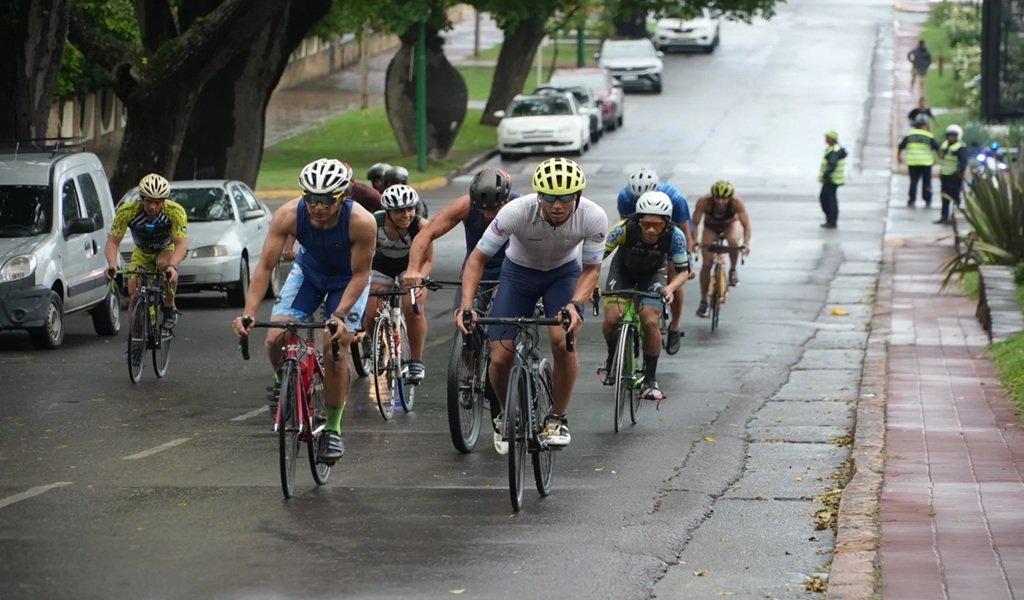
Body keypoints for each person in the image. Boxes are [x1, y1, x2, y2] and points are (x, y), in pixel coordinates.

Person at [457, 157, 608, 452]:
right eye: (549, 197)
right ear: (538, 195)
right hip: (518, 275)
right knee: (499, 357)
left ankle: (557, 418)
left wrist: (575, 304)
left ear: (577, 196)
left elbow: (592, 269)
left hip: (563, 276)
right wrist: (467, 306)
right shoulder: (516, 211)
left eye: (566, 198)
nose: (557, 205)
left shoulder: (593, 217)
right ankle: (505, 414)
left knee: (563, 342)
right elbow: (477, 258)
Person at [231, 158, 376, 464]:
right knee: (274, 338)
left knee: (335, 345)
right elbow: (266, 266)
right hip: (308, 274)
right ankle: (283, 382)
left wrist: (338, 316)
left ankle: (333, 430)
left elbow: (362, 275)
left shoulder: (361, 222)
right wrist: (249, 311)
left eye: (326, 199)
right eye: (311, 197)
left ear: (342, 198)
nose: (317, 206)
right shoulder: (288, 214)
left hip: (347, 281)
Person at [600, 191, 689, 402]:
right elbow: (595, 258)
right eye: (645, 224)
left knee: (650, 320)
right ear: (637, 220)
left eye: (657, 226)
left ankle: (650, 380)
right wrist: (589, 286)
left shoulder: (675, 235)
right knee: (612, 319)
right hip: (622, 272)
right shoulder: (623, 229)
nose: (650, 230)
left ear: (666, 224)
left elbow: (683, 271)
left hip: (653, 275)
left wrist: (670, 288)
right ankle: (612, 357)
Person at [403, 167, 518, 308]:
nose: (488, 215)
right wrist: (413, 269)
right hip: (474, 267)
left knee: (506, 317)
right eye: (483, 210)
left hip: (509, 267)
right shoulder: (465, 205)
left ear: (506, 200)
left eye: (494, 210)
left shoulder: (519, 207)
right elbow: (426, 234)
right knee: (464, 316)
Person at [616, 167, 693, 355]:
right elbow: (627, 230)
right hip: (645, 236)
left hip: (669, 236)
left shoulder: (674, 199)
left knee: (674, 276)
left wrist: (686, 258)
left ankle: (675, 325)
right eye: (637, 198)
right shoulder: (625, 198)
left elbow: (684, 231)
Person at [363, 183, 431, 384]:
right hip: (380, 266)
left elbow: (428, 261)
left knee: (413, 307)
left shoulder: (421, 226)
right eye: (400, 210)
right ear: (388, 212)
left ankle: (416, 362)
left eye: (410, 209)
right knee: (371, 312)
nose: (406, 214)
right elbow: (362, 254)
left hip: (410, 267)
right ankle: (375, 338)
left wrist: (420, 281)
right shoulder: (373, 223)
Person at [104, 173, 189, 330]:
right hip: (142, 252)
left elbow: (181, 244)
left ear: (164, 201)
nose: (152, 207)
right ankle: (137, 338)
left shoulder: (175, 212)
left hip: (166, 249)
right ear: (141, 198)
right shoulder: (127, 211)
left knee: (164, 264)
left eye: (157, 202)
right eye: (149, 201)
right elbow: (113, 241)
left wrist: (173, 266)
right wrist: (112, 264)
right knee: (134, 294)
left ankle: (170, 306)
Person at [690, 180, 751, 318]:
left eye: (724, 198)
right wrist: (694, 241)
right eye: (717, 198)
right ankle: (703, 301)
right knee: (706, 263)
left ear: (730, 198)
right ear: (712, 196)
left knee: (734, 241)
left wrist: (746, 243)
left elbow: (746, 225)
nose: (720, 202)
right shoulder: (704, 202)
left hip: (730, 224)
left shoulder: (736, 202)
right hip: (710, 227)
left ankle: (733, 270)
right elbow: (695, 223)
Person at [898, 115, 940, 207]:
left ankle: (911, 200)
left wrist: (899, 157)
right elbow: (937, 148)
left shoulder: (909, 134)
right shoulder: (929, 135)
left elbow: (901, 146)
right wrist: (940, 158)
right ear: (925, 125)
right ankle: (927, 200)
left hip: (913, 163)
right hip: (926, 163)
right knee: (927, 183)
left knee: (913, 182)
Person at [936, 124, 969, 225]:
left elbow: (963, 163)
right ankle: (944, 217)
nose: (950, 138)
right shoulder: (945, 145)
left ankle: (954, 217)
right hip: (945, 176)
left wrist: (959, 174)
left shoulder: (961, 147)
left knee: (955, 198)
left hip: (954, 177)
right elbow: (942, 158)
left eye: (953, 136)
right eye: (949, 136)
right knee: (944, 198)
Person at [818, 130, 847, 228]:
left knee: (827, 200)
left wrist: (825, 175)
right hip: (833, 179)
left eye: (827, 138)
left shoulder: (834, 150)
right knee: (828, 199)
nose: (825, 139)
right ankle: (830, 220)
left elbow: (832, 165)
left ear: (832, 139)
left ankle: (831, 221)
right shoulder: (833, 149)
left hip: (831, 179)